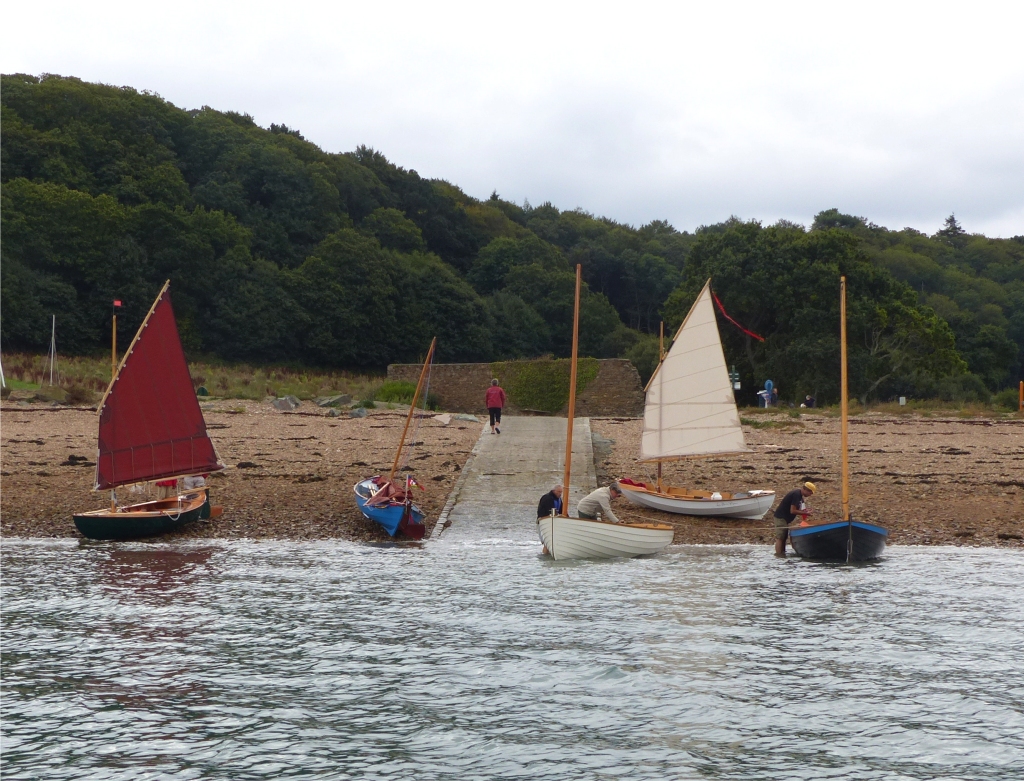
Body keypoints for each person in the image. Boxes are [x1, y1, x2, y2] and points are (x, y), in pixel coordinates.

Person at [773, 482, 815, 556]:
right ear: (806, 490)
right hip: (780, 517)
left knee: (784, 537)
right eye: (810, 493)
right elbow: (793, 511)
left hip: (785, 519)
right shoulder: (796, 494)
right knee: (780, 537)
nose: (810, 495)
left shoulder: (799, 496)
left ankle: (782, 553)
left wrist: (805, 511)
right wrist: (805, 513)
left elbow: (798, 509)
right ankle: (778, 555)